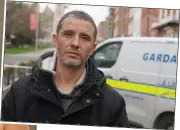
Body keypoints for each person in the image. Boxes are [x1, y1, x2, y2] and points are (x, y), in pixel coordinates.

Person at [1, 10, 129, 127]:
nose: (75, 43)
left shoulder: (113, 103)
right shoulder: (18, 93)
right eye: (68, 34)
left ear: (92, 49)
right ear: (55, 41)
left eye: (84, 38)